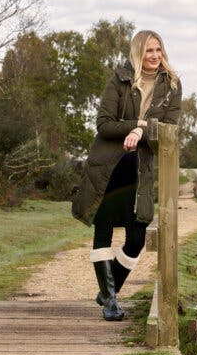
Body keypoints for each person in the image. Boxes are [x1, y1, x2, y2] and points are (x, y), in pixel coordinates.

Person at [71, 30, 182, 320]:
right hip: (109, 165)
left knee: (136, 239)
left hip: (139, 167)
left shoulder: (172, 85)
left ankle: (110, 290)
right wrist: (139, 122)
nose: (155, 56)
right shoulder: (119, 79)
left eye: (158, 49)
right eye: (148, 51)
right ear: (137, 53)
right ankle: (110, 302)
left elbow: (169, 128)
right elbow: (104, 125)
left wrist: (140, 130)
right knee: (104, 231)